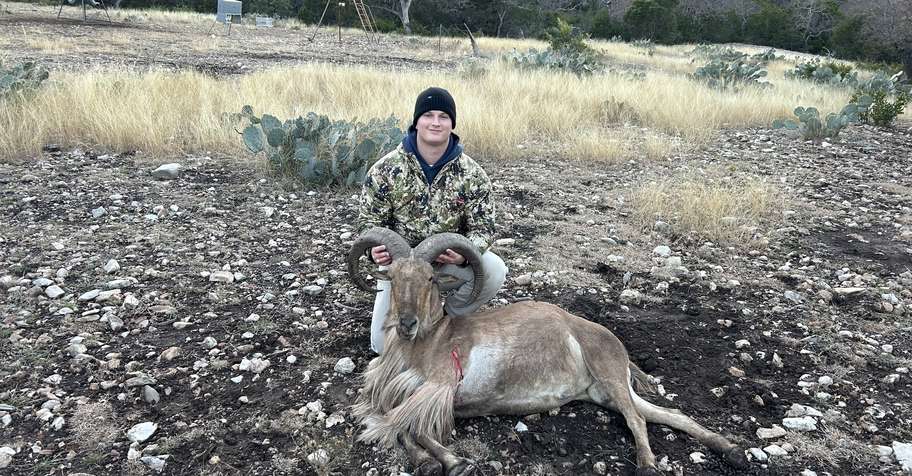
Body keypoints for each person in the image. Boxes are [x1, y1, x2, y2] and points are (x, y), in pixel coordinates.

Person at [357, 87, 508, 354]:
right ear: (417, 121)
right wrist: (373, 252)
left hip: (443, 263)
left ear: (452, 124)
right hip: (400, 268)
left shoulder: (472, 174)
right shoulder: (385, 169)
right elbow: (368, 222)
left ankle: (445, 317)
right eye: (428, 115)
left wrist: (463, 257)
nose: (435, 122)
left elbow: (484, 228)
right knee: (383, 349)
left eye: (443, 116)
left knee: (494, 268)